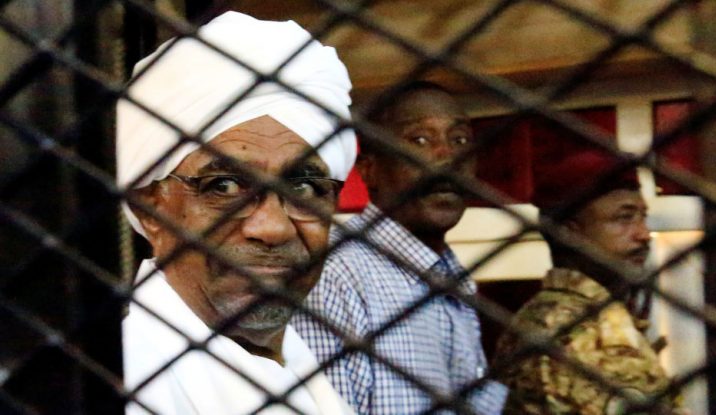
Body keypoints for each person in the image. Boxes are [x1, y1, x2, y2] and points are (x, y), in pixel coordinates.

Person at [117, 12, 357, 415]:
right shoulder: (125, 382)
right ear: (150, 209)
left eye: (303, 188)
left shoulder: (297, 365)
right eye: (224, 186)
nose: (273, 228)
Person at [292, 81, 508, 414]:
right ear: (369, 170)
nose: (447, 157)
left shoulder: (453, 277)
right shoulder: (334, 273)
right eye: (420, 140)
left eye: (460, 140)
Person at [493, 150, 686, 414]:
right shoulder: (595, 334)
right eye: (624, 218)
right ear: (570, 233)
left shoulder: (535, 316)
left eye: (643, 217)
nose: (644, 234)